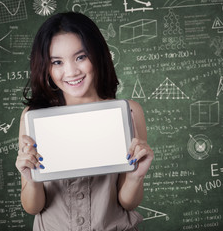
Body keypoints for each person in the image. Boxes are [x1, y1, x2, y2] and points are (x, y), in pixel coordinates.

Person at [15, 12, 153, 231]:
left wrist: (136, 177)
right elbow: (33, 207)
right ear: (46, 67)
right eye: (57, 62)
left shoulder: (129, 112)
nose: (71, 71)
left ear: (97, 55)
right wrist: (30, 178)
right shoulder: (34, 117)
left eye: (80, 57)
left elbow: (127, 202)